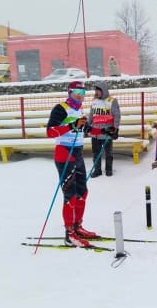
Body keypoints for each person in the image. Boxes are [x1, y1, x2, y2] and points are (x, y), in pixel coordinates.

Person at [46, 81, 97, 247]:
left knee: (82, 192)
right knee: (71, 195)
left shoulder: (79, 110)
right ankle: (69, 235)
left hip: (78, 154)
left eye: (83, 92)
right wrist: (71, 126)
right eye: (76, 91)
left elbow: (87, 129)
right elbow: (50, 131)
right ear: (69, 92)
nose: (80, 95)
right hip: (64, 154)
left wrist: (106, 132)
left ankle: (77, 227)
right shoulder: (61, 108)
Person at [87, 81, 121, 178]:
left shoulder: (112, 101)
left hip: (107, 132)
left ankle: (108, 169)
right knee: (95, 153)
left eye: (98, 90)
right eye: (96, 90)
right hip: (95, 132)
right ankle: (97, 170)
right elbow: (91, 116)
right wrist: (87, 126)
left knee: (108, 153)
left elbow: (117, 115)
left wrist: (116, 129)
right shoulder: (94, 101)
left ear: (103, 91)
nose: (96, 92)